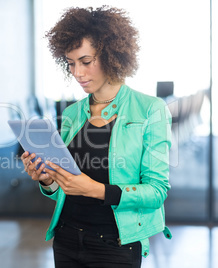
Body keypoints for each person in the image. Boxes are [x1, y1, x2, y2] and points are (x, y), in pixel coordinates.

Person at [21, 6, 172, 268]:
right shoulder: (72, 113)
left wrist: (96, 190)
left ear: (112, 56)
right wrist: (48, 180)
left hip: (115, 246)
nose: (77, 73)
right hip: (66, 240)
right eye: (71, 63)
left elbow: (156, 191)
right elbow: (63, 187)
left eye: (86, 62)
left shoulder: (150, 109)